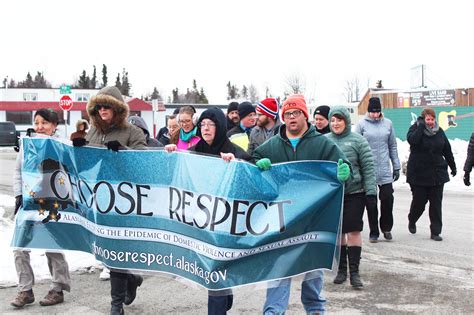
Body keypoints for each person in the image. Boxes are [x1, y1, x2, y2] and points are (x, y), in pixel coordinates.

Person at [253, 94, 350, 315]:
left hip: (314, 220)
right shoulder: (272, 146)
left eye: (296, 113)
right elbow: (251, 162)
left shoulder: (322, 144)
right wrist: (257, 164)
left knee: (313, 273)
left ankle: (315, 310)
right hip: (282, 220)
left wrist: (345, 173)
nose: (291, 118)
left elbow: (344, 167)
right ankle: (273, 312)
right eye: (287, 114)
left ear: (305, 115)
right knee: (279, 269)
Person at [74, 86, 147, 314]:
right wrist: (79, 150)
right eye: (98, 106)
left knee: (116, 250)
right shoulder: (93, 132)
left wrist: (124, 150)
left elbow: (144, 164)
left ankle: (116, 305)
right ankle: (131, 278)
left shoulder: (133, 132)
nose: (102, 110)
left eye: (106, 106)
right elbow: (84, 167)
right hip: (97, 200)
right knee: (106, 250)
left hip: (123, 201)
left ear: (117, 108)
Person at [188, 107, 252, 315]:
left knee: (216, 270)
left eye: (210, 124)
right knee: (213, 272)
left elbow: (252, 176)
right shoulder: (196, 150)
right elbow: (183, 173)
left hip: (227, 222)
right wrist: (172, 154)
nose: (205, 128)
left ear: (220, 126)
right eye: (202, 125)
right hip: (203, 219)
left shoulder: (232, 150)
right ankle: (225, 293)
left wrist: (236, 165)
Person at [11, 108, 72, 308]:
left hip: (52, 202)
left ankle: (58, 288)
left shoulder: (62, 145)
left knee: (52, 246)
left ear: (54, 126)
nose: (40, 127)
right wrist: (19, 195)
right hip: (29, 201)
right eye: (36, 123)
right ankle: (25, 290)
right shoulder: (27, 145)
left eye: (44, 123)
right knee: (20, 246)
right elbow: (18, 172)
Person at [327, 106, 376, 289]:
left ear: (346, 121)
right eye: (332, 120)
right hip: (333, 196)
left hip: (355, 193)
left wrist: (371, 193)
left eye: (339, 120)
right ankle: (341, 269)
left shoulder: (358, 141)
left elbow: (369, 168)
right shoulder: (325, 141)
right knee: (338, 232)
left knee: (353, 230)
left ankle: (354, 272)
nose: (335, 123)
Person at [406, 108, 456, 241]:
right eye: (427, 119)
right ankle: (412, 219)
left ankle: (435, 232)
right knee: (419, 202)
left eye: (432, 119)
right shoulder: (415, 129)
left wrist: (453, 166)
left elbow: (447, 150)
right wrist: (421, 127)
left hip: (437, 173)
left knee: (436, 204)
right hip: (418, 174)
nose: (430, 122)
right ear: (423, 119)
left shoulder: (439, 132)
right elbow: (413, 141)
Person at [355, 97, 401, 242]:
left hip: (385, 169)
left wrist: (396, 165)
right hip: (368, 170)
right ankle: (374, 231)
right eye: (372, 112)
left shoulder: (388, 124)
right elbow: (356, 147)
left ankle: (386, 227)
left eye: (378, 112)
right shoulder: (361, 125)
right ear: (368, 111)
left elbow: (392, 146)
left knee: (387, 199)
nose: (375, 115)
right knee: (371, 203)